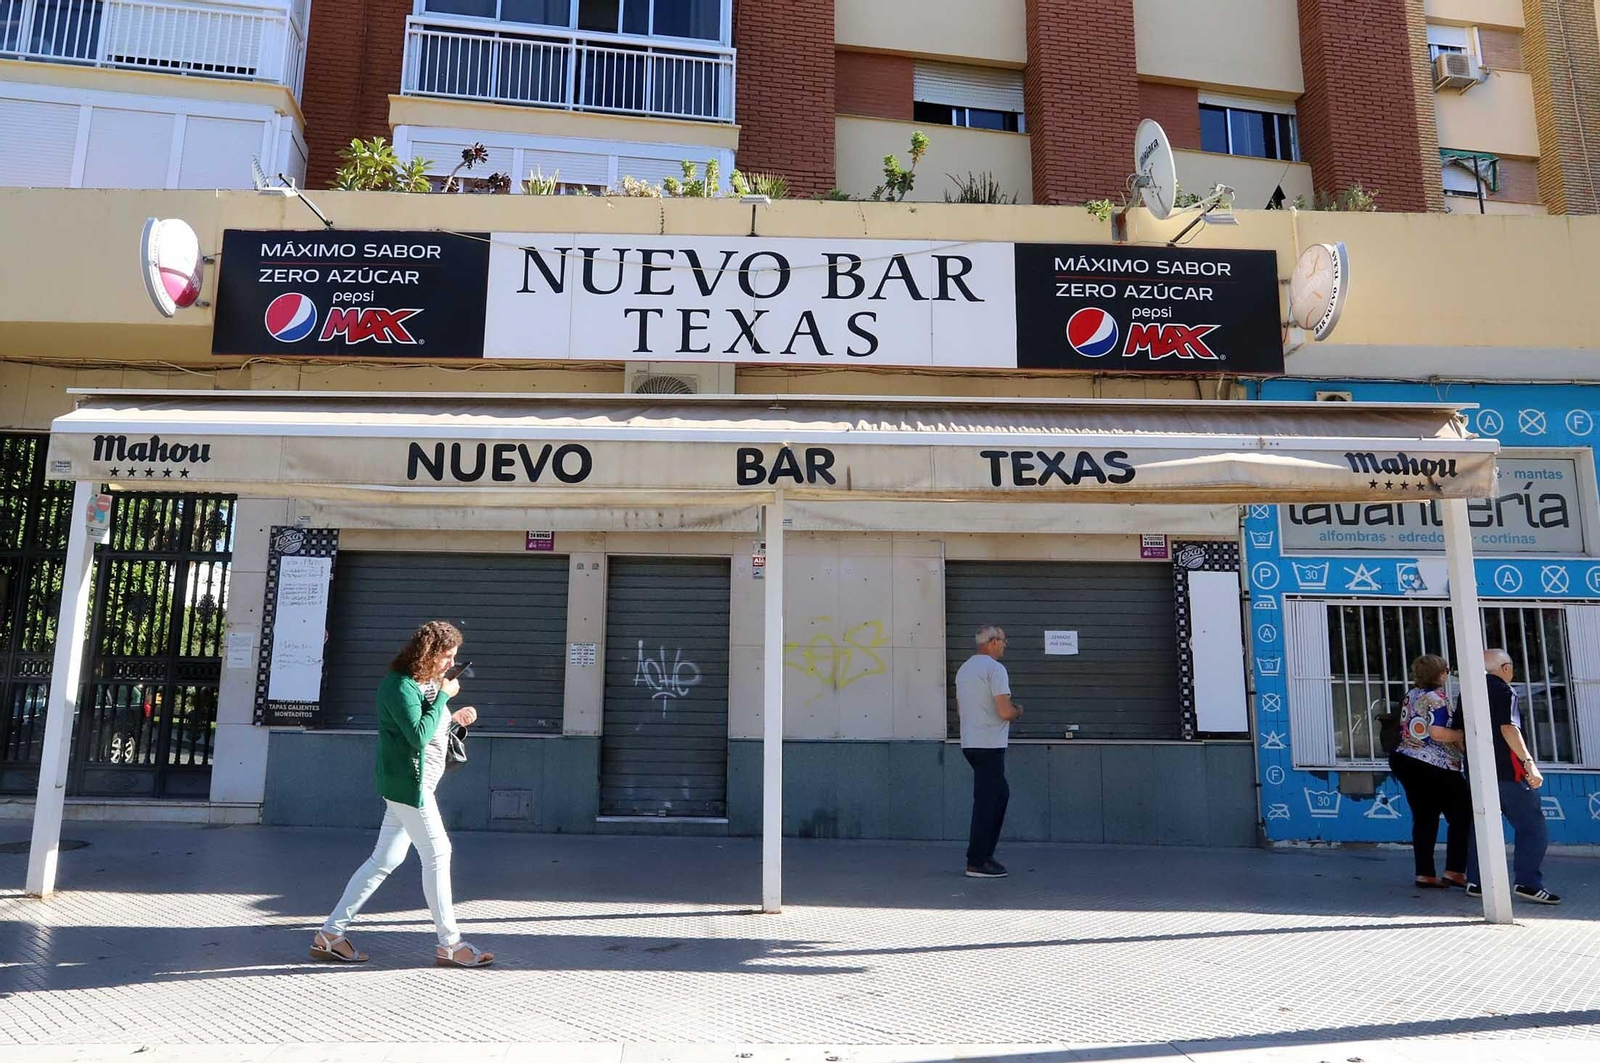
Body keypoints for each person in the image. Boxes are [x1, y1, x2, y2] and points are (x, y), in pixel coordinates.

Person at [310, 620, 498, 965]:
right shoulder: (399, 687)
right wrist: (444, 695)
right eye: (446, 656)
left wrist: (454, 718)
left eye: (454, 657)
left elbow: (429, 726)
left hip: (412, 783)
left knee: (384, 860)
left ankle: (330, 934)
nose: (450, 664)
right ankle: (450, 944)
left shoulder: (422, 685)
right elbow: (417, 736)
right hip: (410, 786)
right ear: (428, 653)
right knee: (439, 854)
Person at [1464, 648, 1560, 905]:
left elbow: (1460, 734)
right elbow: (1509, 727)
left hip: (1477, 771)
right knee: (1532, 827)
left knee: (1482, 824)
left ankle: (1477, 880)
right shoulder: (1505, 691)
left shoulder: (1468, 692)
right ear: (1505, 668)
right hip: (1508, 771)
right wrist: (1529, 763)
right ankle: (1528, 882)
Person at [1387, 654, 1469, 888]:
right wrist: (1462, 734)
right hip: (1436, 763)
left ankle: (1425, 873)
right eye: (1446, 670)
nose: (1447, 674)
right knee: (1462, 815)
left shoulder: (1411, 695)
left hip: (1405, 759)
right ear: (1439, 674)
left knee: (1424, 818)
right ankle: (1455, 870)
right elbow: (1438, 733)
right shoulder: (1436, 698)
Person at [956, 624, 1023, 879]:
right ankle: (977, 861)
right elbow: (1005, 711)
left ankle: (984, 855)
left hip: (971, 744)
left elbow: (961, 711)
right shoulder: (995, 669)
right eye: (1004, 641)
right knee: (988, 802)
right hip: (989, 745)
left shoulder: (964, 670)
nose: (1005, 645)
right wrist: (1019, 710)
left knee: (999, 795)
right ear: (993, 642)